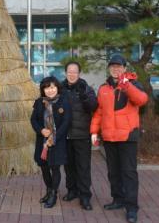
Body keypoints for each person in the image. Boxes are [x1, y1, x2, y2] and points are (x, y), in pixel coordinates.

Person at [90, 54, 148, 223]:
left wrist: (127, 86)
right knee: (113, 172)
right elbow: (99, 112)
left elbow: (142, 100)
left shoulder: (133, 84)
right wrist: (94, 132)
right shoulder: (103, 88)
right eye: (113, 66)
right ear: (109, 68)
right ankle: (118, 199)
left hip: (127, 136)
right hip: (109, 137)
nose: (116, 69)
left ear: (124, 68)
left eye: (119, 66)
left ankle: (131, 208)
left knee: (129, 173)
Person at [31, 76, 72, 208]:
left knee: (55, 168)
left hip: (57, 142)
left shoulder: (64, 102)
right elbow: (33, 120)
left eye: (53, 87)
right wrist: (41, 130)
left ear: (57, 88)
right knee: (44, 167)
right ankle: (49, 190)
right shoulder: (39, 102)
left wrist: (53, 137)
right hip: (42, 141)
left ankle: (54, 194)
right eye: (47, 88)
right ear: (43, 89)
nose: (50, 90)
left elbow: (66, 123)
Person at [61, 61, 98, 210]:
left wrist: (84, 96)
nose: (72, 74)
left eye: (74, 71)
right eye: (69, 71)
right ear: (65, 73)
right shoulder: (60, 88)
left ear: (79, 73)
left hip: (82, 134)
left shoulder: (86, 88)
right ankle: (72, 191)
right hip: (65, 135)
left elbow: (93, 106)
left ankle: (85, 196)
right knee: (69, 166)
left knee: (83, 167)